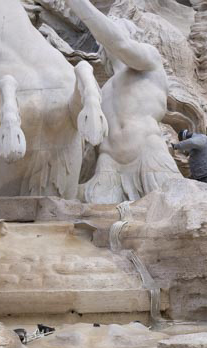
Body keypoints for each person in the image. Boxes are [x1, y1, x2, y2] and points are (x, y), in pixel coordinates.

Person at [63, 0, 183, 203]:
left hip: (147, 154)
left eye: (113, 28)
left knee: (170, 209)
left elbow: (120, 44)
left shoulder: (150, 63)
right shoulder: (104, 88)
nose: (107, 34)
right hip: (108, 164)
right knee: (94, 220)